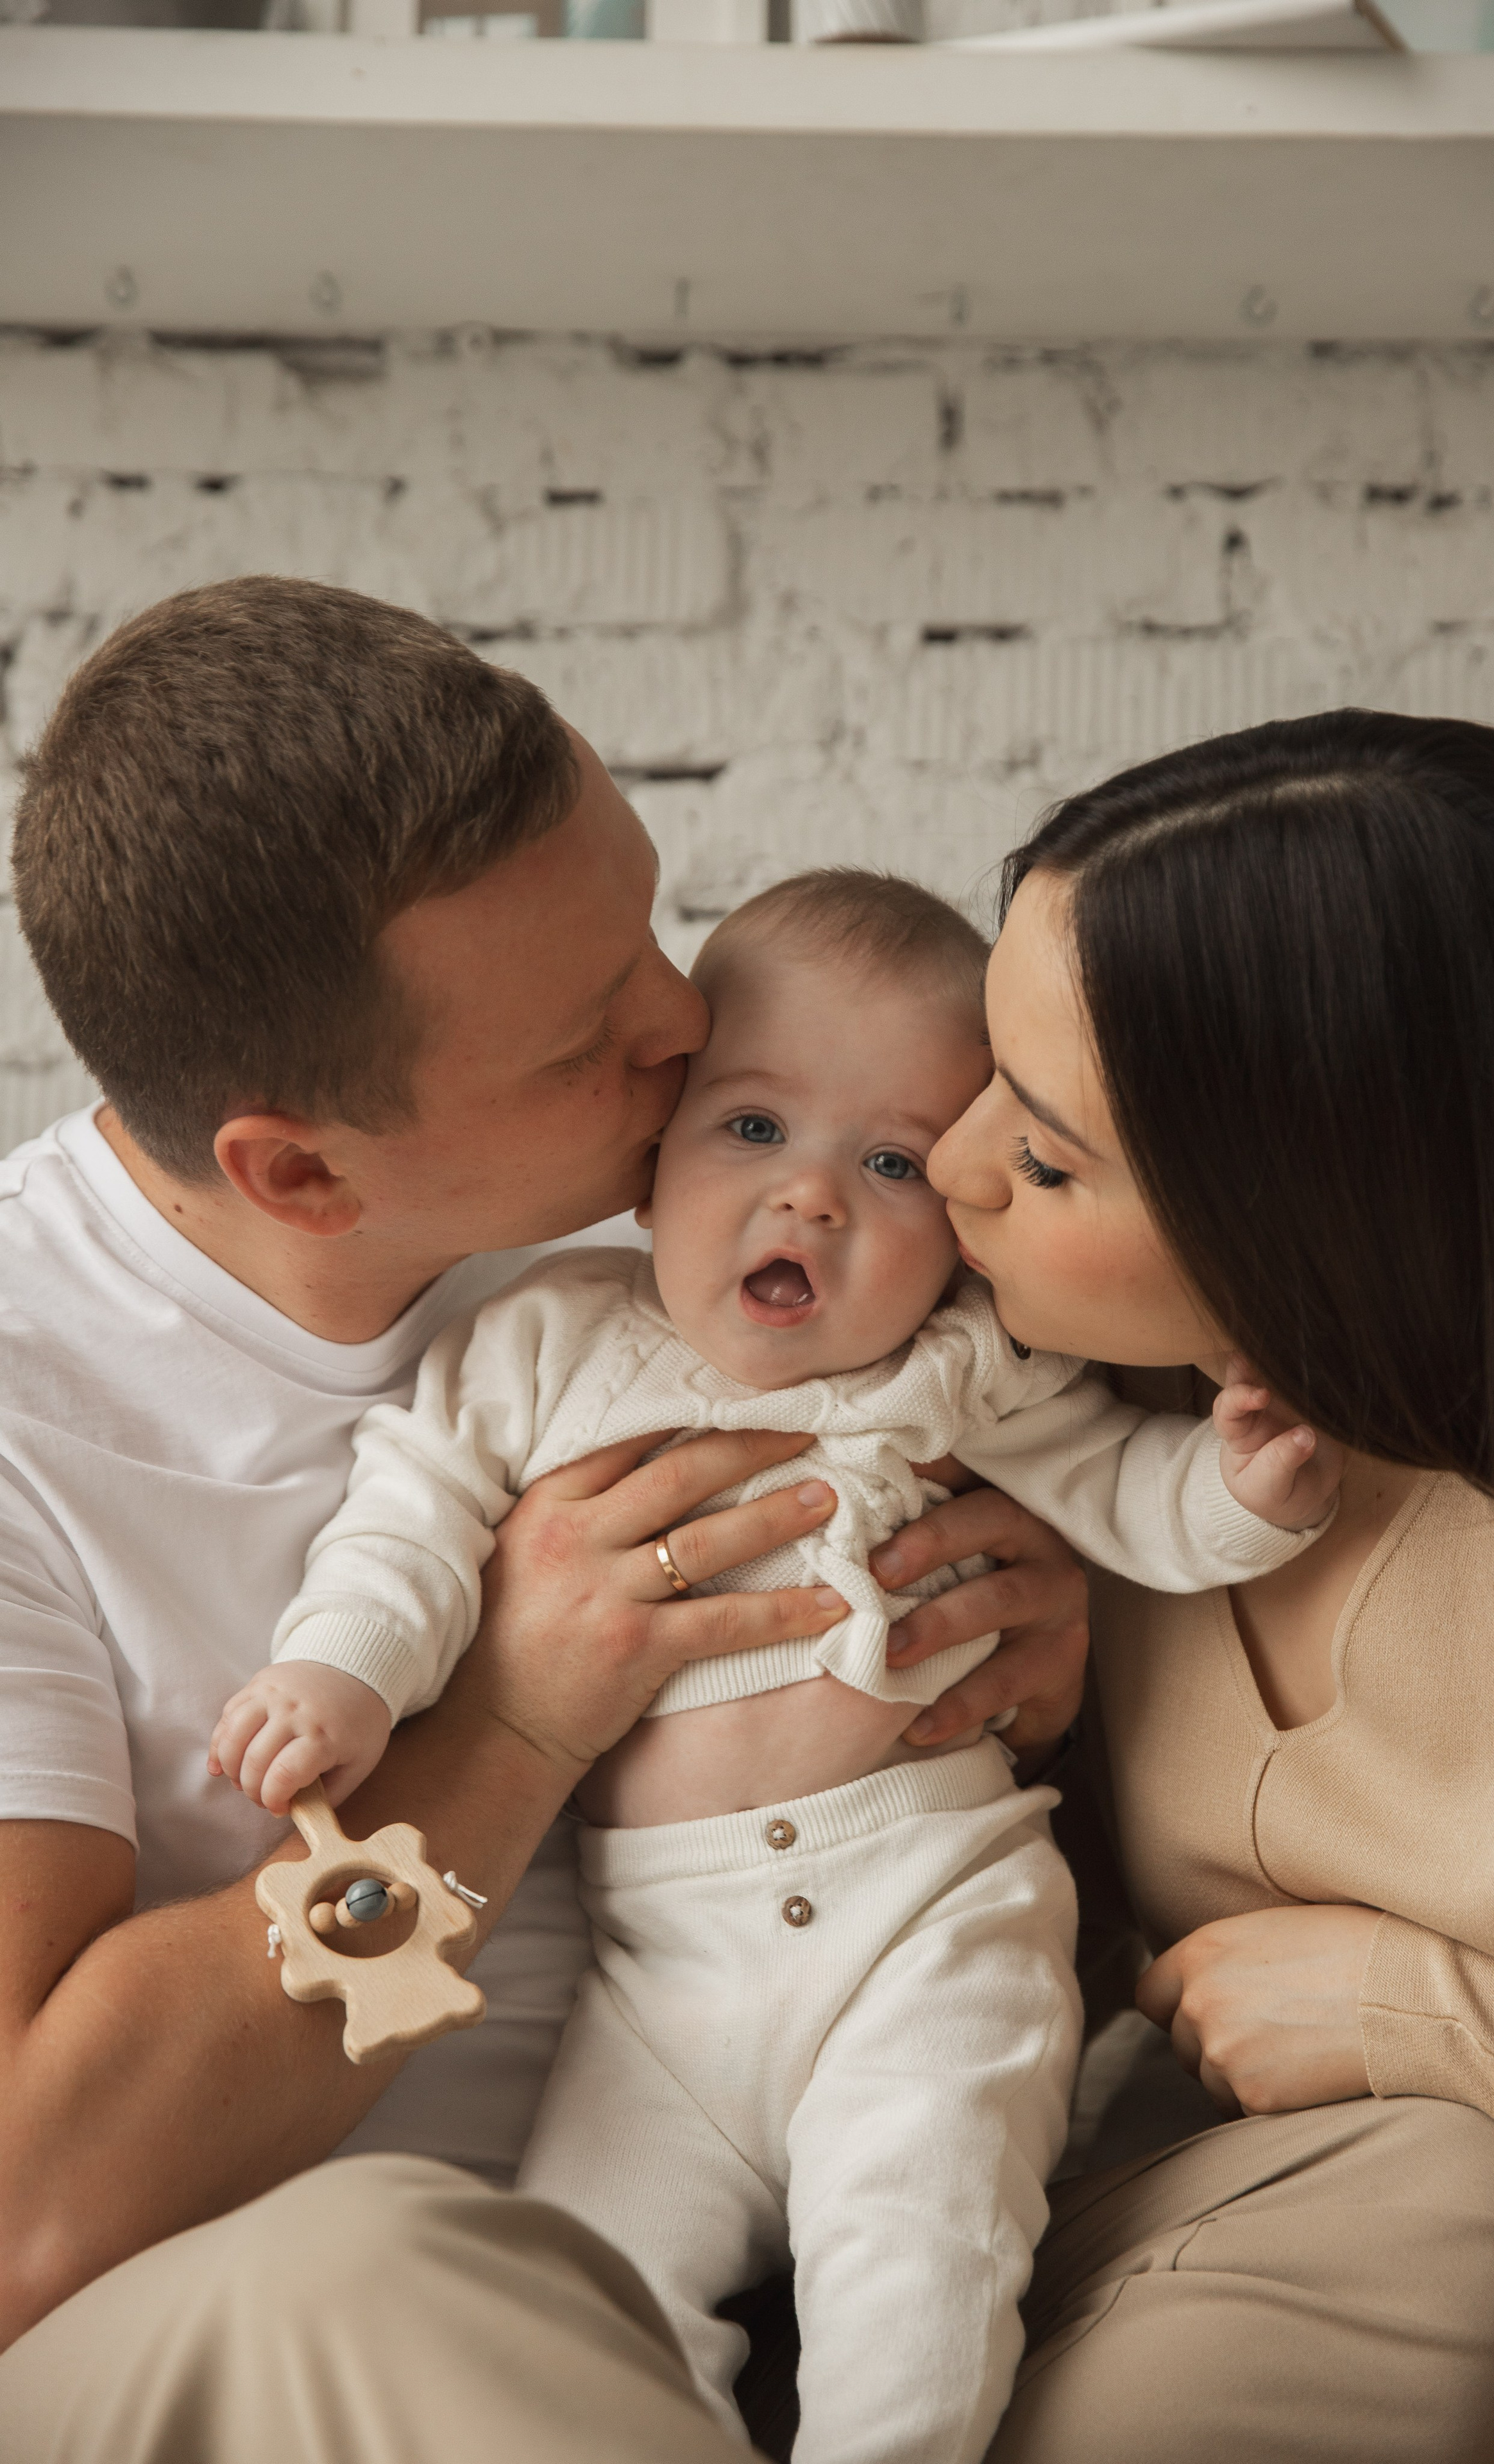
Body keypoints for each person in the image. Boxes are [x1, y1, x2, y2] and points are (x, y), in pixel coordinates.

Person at [0, 578, 1092, 2463]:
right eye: (588, 1034)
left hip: (797, 2141)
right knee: (386, 2267)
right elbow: (32, 2204)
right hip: (279, 2315)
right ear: (299, 1171)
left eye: (649, 927)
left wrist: (1042, 1638)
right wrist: (506, 1734)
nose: (687, 1021)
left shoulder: (682, 1228)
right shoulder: (32, 1410)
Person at [212, 868, 1337, 2464]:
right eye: (752, 1128)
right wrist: (343, 1673)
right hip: (659, 1978)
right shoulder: (542, 1343)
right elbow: (408, 1520)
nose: (809, 1198)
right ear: (648, 1167)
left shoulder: (963, 1365)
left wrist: (1244, 1490)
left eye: (889, 1163)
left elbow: (1126, 1496)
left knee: (918, 2266)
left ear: (956, 1222)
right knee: (580, 2302)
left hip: (925, 1913)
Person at [923, 710, 1494, 2464]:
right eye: (982, 1077)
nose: (947, 1168)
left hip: (1412, 2319)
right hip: (1037, 2258)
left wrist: (1423, 2020)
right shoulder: (1063, 1440)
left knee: (1468, 2221)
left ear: (1308, 1204)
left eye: (1044, 1157)